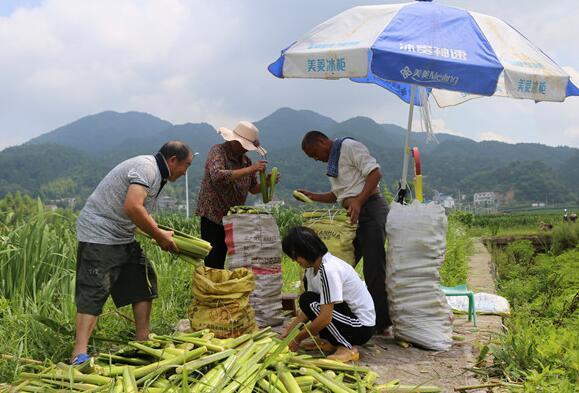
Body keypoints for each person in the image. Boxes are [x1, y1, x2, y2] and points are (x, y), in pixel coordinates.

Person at [71, 141, 193, 364]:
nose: (186, 172)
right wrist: (158, 235)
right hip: (100, 234)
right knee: (95, 290)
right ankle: (79, 354)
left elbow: (136, 213)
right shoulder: (148, 168)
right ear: (173, 160)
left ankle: (142, 339)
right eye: (186, 165)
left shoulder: (158, 175)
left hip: (122, 235)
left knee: (143, 280)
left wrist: (157, 233)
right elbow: (132, 207)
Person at [298, 130, 392, 336]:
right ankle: (341, 315)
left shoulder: (348, 147)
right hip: (353, 216)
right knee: (343, 266)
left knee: (373, 268)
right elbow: (338, 195)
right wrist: (312, 196)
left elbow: (375, 173)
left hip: (370, 210)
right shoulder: (333, 163)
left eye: (315, 153)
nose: (316, 159)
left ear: (323, 141)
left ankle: (381, 322)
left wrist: (358, 201)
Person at [281, 226, 375, 362]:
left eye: (295, 256)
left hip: (360, 327)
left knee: (308, 301)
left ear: (304, 251)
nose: (294, 261)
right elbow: (308, 312)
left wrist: (297, 338)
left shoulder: (328, 270)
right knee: (307, 301)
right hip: (348, 319)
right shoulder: (312, 270)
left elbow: (325, 318)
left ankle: (347, 347)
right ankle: (333, 343)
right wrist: (288, 333)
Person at [196, 120, 272, 269]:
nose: (246, 150)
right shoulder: (218, 151)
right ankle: (213, 289)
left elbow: (253, 188)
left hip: (234, 219)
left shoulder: (246, 161)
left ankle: (228, 287)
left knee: (235, 261)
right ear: (234, 141)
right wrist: (252, 169)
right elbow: (217, 176)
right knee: (214, 261)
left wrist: (268, 182)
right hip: (213, 216)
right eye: (244, 146)